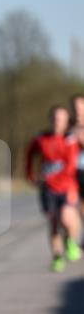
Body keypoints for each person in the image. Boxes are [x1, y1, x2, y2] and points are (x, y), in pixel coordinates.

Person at [25, 105, 81, 271]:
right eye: (55, 118)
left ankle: (70, 241)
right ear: (50, 120)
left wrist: (50, 177)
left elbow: (70, 166)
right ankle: (56, 256)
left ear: (66, 122)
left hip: (66, 186)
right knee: (54, 223)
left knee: (66, 218)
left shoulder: (70, 139)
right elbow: (29, 155)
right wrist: (30, 175)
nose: (57, 122)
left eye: (61, 119)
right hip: (47, 189)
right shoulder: (41, 138)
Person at [69, 93, 84, 231]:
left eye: (80, 106)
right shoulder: (68, 127)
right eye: (75, 107)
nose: (78, 110)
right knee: (75, 206)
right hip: (72, 171)